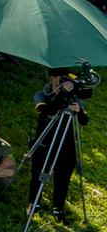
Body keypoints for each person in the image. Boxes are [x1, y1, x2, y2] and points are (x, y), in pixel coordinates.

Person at [31, 69, 89, 222]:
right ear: (53, 79)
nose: (66, 82)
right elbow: (46, 111)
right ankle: (34, 203)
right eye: (62, 79)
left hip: (66, 141)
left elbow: (84, 121)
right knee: (38, 171)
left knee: (63, 176)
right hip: (45, 139)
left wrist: (79, 111)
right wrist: (61, 94)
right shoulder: (42, 94)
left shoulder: (73, 97)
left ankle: (58, 208)